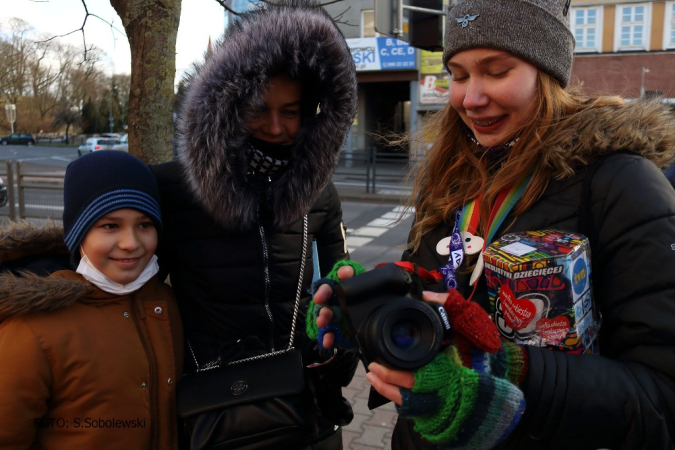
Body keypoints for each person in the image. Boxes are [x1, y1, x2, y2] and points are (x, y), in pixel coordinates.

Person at [313, 0, 675, 448]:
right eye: (459, 75)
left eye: (497, 71)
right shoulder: (450, 177)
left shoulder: (620, 183)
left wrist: (507, 374)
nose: (470, 97)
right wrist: (376, 320)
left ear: (548, 73)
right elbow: (436, 304)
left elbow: (660, 400)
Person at [150, 0, 358, 448]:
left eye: (292, 110)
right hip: (216, 412)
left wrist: (340, 344)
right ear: (228, 103)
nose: (277, 126)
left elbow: (341, 282)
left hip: (305, 406)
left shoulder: (318, 190)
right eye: (260, 109)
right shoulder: (173, 188)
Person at [0, 150, 183, 449]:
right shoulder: (32, 328)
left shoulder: (164, 302)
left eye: (145, 225)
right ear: (78, 235)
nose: (131, 243)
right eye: (110, 226)